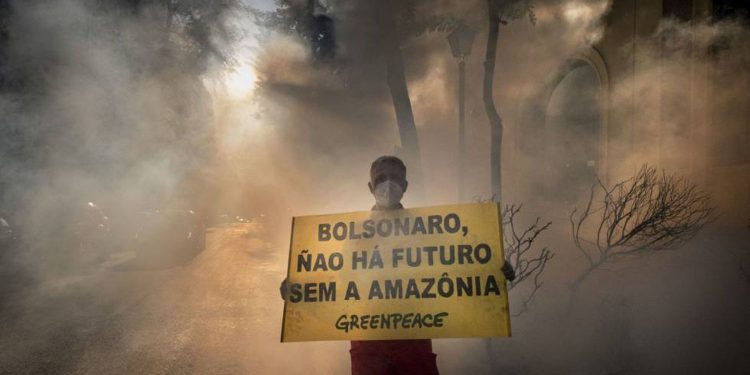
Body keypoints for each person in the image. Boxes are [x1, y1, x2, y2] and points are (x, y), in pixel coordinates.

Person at [281, 155, 515, 375]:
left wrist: (492, 268)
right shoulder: (353, 233)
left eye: (394, 178)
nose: (388, 184)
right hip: (368, 340)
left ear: (405, 185)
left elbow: (456, 264)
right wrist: (298, 287)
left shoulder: (429, 229)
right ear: (370, 187)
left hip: (414, 337)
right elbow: (333, 278)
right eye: (381, 179)